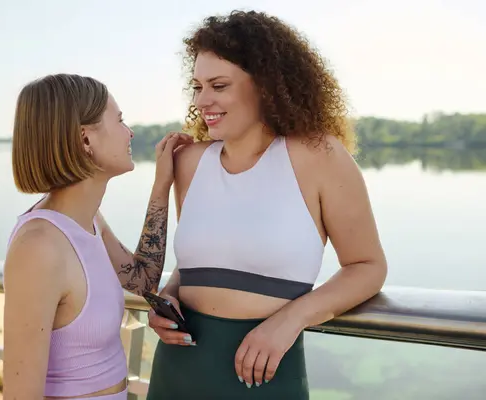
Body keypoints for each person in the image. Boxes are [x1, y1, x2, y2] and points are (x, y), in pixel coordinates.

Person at [146, 10, 388, 399]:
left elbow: (367, 267)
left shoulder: (319, 156)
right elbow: (197, 263)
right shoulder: (190, 162)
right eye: (197, 86)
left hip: (265, 375)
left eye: (219, 85)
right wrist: (170, 297)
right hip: (178, 370)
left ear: (265, 85)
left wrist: (291, 319)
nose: (202, 100)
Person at [2, 74, 192, 399]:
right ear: (85, 139)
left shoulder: (89, 221)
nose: (130, 132)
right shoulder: (39, 246)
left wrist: (162, 185)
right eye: (119, 120)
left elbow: (143, 280)